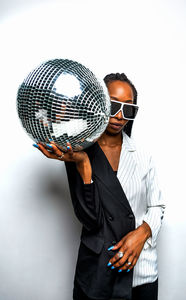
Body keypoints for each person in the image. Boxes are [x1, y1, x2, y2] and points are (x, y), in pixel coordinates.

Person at [33, 73, 165, 300]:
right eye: (113, 105)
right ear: (99, 103)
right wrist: (84, 165)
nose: (119, 115)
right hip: (97, 271)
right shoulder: (76, 149)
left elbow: (157, 205)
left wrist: (141, 234)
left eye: (128, 109)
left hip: (141, 269)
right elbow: (91, 220)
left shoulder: (143, 156)